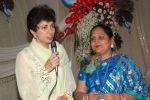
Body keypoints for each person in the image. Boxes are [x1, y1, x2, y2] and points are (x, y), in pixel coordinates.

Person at [15, 4, 76, 100]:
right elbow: (26, 95)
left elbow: (70, 81)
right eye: (44, 27)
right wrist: (45, 69)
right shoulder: (24, 57)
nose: (50, 31)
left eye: (52, 26)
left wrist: (66, 96)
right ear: (33, 32)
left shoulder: (59, 49)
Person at [74, 24, 149, 100]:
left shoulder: (124, 62)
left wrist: (118, 97)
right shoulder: (87, 63)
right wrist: (86, 97)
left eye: (101, 37)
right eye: (92, 39)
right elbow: (78, 93)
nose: (96, 41)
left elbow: (140, 92)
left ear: (112, 40)